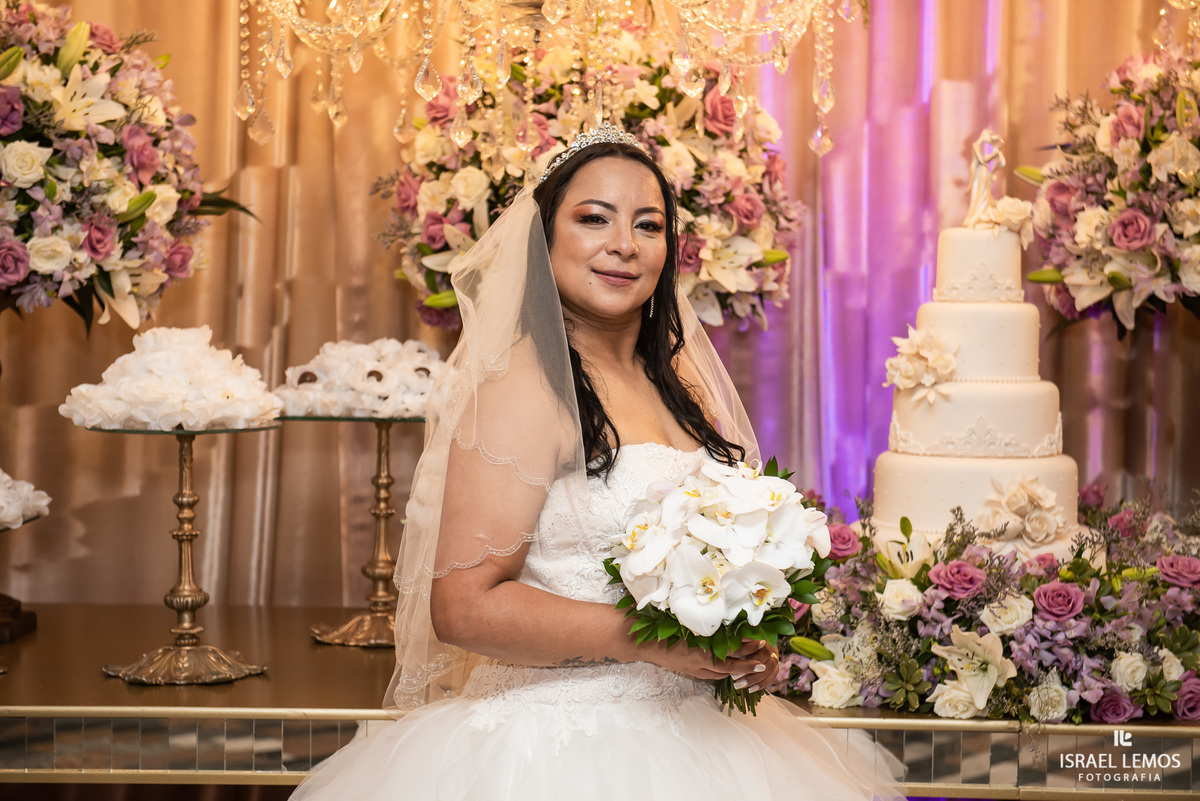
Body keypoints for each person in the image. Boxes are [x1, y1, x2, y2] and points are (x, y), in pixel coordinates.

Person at [291, 126, 904, 800]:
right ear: (544, 237)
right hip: (555, 747)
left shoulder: (684, 384)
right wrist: (650, 642)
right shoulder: (522, 389)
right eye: (593, 219)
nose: (623, 245)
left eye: (648, 224)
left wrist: (740, 637)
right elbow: (463, 608)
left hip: (706, 740)